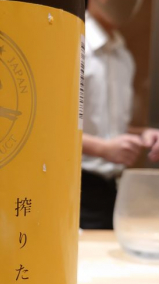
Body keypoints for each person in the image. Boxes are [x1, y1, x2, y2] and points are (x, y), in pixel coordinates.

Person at [81, 0, 159, 229]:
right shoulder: (72, 44)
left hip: (111, 189)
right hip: (75, 185)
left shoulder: (123, 56)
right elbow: (46, 128)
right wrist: (102, 149)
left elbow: (108, 128)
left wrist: (143, 134)